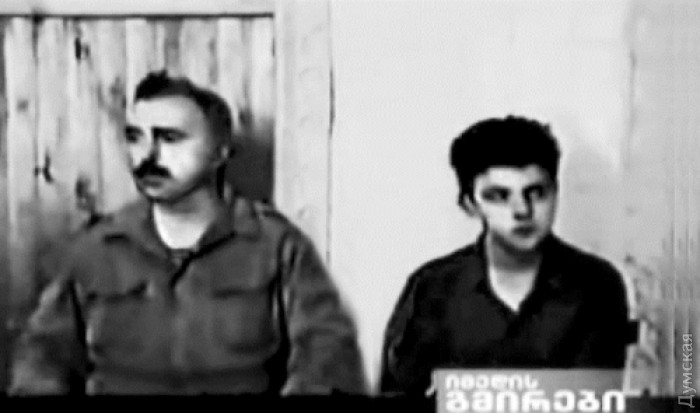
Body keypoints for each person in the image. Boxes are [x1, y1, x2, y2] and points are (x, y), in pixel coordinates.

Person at [10, 71, 366, 395]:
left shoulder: (276, 247)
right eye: (135, 138)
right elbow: (43, 357)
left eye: (170, 138)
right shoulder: (96, 249)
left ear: (219, 152)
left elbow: (326, 355)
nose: (147, 155)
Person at [380, 115, 632, 395]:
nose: (522, 211)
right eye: (499, 196)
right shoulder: (432, 288)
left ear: (556, 192)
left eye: (536, 193)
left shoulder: (597, 286)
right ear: (469, 204)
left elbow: (593, 401)